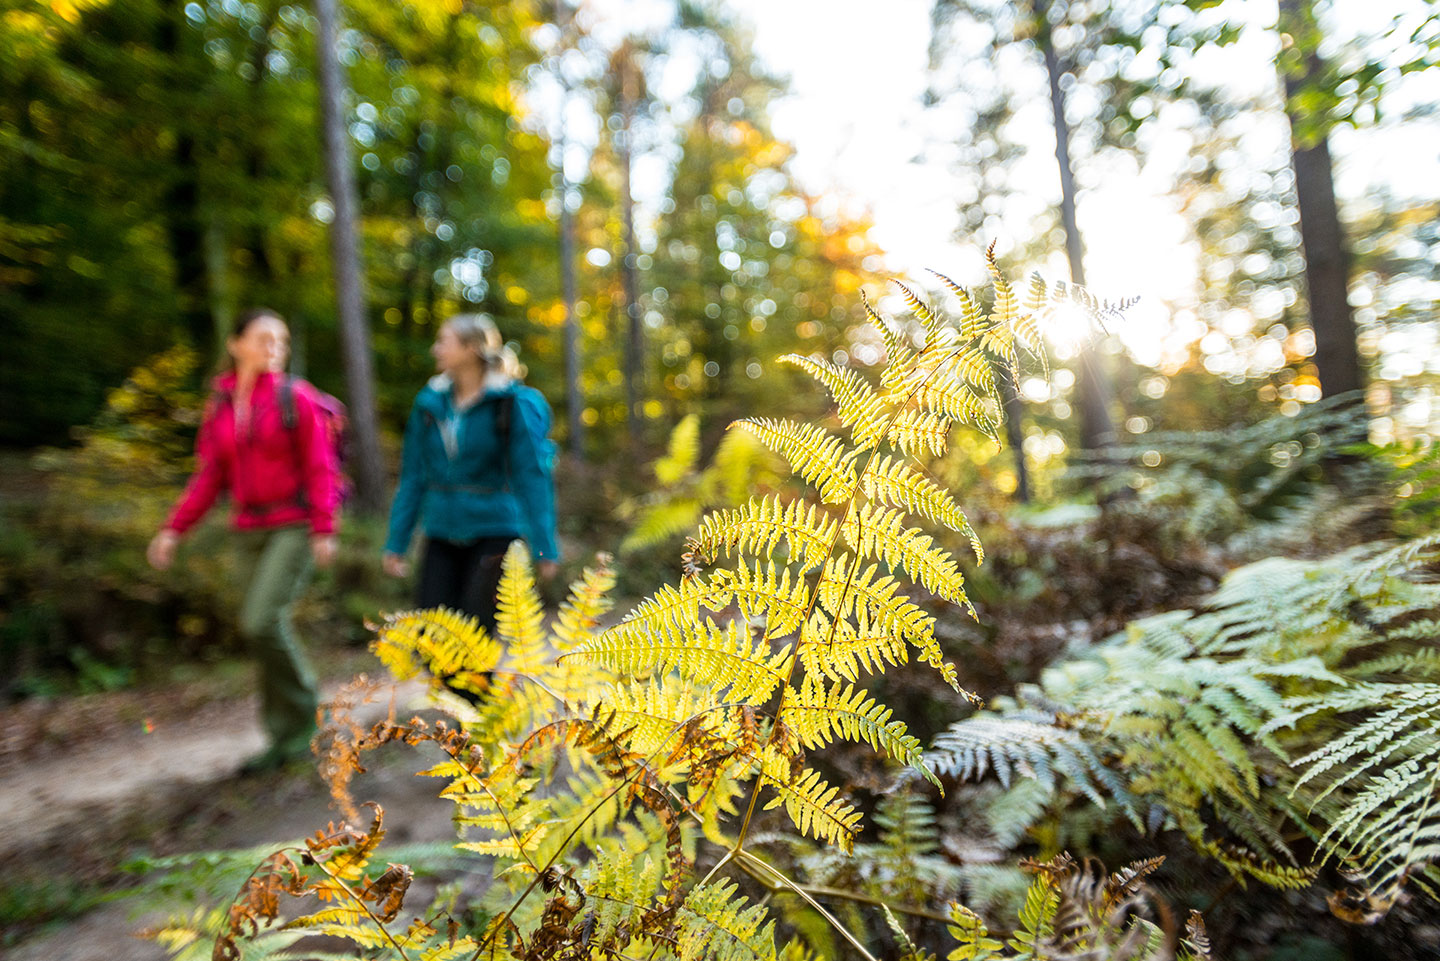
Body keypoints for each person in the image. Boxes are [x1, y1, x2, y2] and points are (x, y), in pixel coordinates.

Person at [147, 308, 342, 773]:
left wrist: (324, 527)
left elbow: (321, 467)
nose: (274, 346)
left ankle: (312, 714)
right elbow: (210, 475)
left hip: (293, 526)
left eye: (281, 339)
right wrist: (174, 528)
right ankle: (285, 736)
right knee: (259, 632)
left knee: (260, 621)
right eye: (263, 338)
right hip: (248, 530)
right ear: (235, 344)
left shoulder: (297, 397)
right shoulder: (220, 404)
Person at [383, 314, 559, 634]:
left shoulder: (511, 403)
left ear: (471, 348)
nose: (435, 349)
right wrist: (397, 542)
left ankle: (482, 686)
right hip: (440, 531)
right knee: (434, 639)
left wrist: (544, 547)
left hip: (495, 532)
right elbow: (412, 477)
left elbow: (532, 477)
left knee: (476, 640)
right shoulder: (429, 404)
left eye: (443, 341)